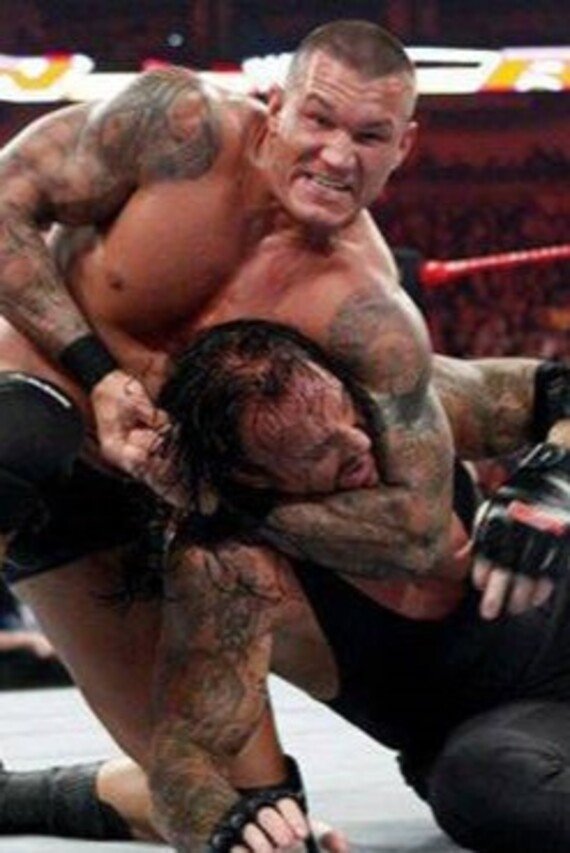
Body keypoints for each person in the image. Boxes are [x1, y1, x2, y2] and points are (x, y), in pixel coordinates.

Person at [0, 16, 568, 850]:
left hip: (197, 498)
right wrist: (97, 370)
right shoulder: (178, 131)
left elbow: (422, 524)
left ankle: (56, 795)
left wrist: (554, 476)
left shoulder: (361, 326)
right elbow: (7, 203)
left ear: (403, 147)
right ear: (276, 104)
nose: (338, 156)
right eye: (320, 119)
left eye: (369, 135)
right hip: (53, 411)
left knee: (249, 807)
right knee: (14, 437)